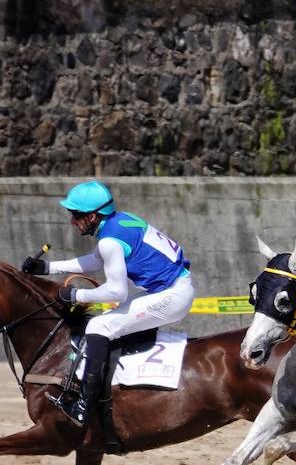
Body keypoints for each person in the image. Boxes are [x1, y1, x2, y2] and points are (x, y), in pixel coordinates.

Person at [21, 181, 195, 430]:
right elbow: (96, 260)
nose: (72, 222)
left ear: (92, 216)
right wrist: (49, 268)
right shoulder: (121, 221)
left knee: (99, 327)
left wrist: (76, 295)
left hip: (172, 296)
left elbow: (116, 292)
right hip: (175, 289)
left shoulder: (109, 240)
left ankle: (84, 407)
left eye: (76, 216)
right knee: (107, 323)